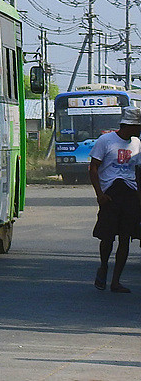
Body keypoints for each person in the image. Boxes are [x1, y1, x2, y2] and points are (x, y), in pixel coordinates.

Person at [88, 106, 141, 293]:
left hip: (129, 194)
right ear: (129, 126)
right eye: (138, 126)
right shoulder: (106, 141)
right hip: (110, 194)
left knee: (125, 239)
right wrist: (99, 195)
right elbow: (93, 168)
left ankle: (116, 281)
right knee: (108, 238)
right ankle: (103, 267)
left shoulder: (137, 143)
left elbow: (138, 172)